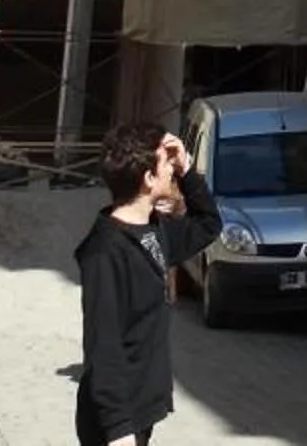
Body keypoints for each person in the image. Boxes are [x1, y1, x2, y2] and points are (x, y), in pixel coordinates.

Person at [75, 123, 221, 446]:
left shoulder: (156, 231)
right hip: (116, 424)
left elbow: (209, 224)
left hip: (141, 410)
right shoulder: (104, 252)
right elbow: (104, 347)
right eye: (165, 162)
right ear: (148, 179)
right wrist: (118, 431)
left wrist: (188, 171)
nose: (171, 167)